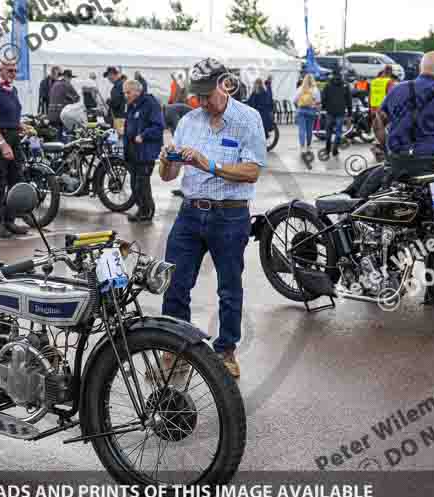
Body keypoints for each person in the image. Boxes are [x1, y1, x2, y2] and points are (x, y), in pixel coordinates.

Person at [158, 57, 267, 380]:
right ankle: (176, 347)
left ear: (226, 84)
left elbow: (252, 171)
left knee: (229, 287)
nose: (203, 102)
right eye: (199, 96)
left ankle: (225, 351)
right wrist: (167, 161)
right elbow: (167, 176)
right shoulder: (189, 120)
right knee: (175, 283)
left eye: (208, 94)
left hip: (230, 215)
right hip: (190, 212)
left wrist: (211, 166)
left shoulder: (248, 119)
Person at [365, 52, 434, 195]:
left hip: (396, 164)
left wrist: (388, 148)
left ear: (420, 68)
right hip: (429, 166)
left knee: (388, 204)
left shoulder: (397, 89)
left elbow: (377, 125)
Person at [0, 60, 30, 238]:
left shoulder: (13, 90)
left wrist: (21, 125)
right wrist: (3, 145)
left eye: (15, 70)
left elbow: (11, 117)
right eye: (9, 70)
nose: (13, 73)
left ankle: (10, 220)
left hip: (13, 137)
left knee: (15, 180)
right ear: (1, 71)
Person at [123, 79, 164, 222]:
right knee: (135, 183)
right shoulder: (132, 105)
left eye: (128, 92)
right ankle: (141, 209)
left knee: (142, 183)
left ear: (137, 91)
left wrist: (143, 135)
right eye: (125, 93)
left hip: (145, 151)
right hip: (133, 151)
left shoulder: (150, 104)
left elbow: (158, 127)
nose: (126, 95)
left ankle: (147, 211)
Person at [321, 70, 353, 156]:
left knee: (328, 131)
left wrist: (324, 107)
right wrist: (350, 113)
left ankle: (327, 149)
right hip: (341, 112)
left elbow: (323, 98)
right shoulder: (345, 85)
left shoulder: (327, 85)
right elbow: (349, 100)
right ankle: (335, 149)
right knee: (338, 131)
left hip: (330, 111)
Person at [293, 74, 321, 154]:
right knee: (309, 129)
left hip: (301, 110)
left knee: (301, 129)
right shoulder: (315, 90)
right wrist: (318, 111)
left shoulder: (300, 89)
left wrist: (297, 108)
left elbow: (294, 100)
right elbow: (318, 102)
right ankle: (308, 145)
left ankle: (302, 146)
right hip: (311, 111)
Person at [47, 69, 80, 134]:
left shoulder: (54, 84)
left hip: (51, 114)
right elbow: (77, 98)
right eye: (70, 78)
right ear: (67, 77)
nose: (70, 80)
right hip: (61, 115)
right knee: (66, 136)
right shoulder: (67, 85)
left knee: (55, 135)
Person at [105, 66, 127, 132]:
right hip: (122, 115)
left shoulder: (118, 86)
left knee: (117, 137)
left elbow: (115, 103)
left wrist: (108, 101)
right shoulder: (121, 84)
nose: (108, 78)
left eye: (109, 75)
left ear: (114, 75)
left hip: (118, 117)